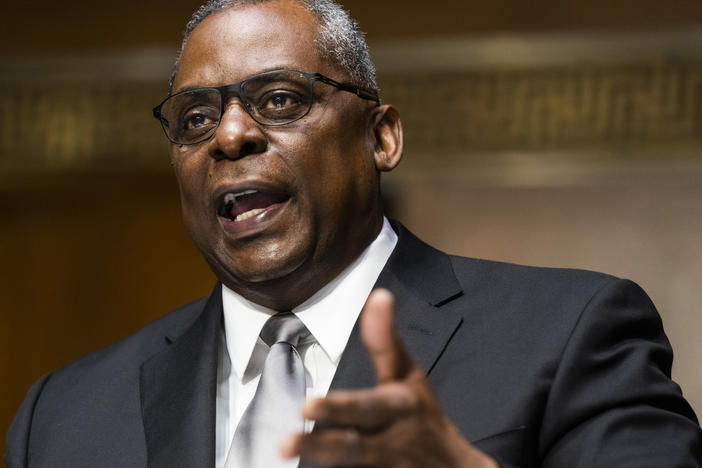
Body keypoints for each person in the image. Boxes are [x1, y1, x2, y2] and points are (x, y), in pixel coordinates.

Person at [5, 0, 702, 466]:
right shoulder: (63, 417)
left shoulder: (572, 332)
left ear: (381, 137)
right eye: (194, 118)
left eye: (279, 99)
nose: (230, 133)